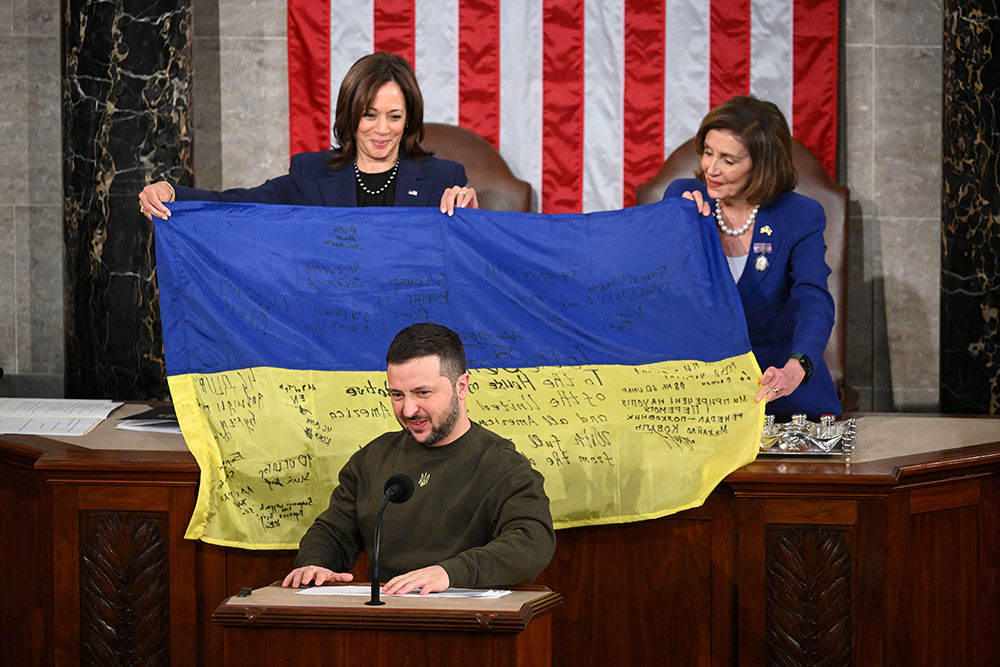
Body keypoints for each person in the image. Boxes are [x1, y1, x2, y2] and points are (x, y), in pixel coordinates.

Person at [281, 322, 556, 595]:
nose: (409, 410)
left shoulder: (504, 467)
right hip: (382, 618)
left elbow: (532, 543)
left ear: (462, 386)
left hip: (467, 623)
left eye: (423, 393)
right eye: (397, 395)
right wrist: (314, 566)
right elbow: (332, 532)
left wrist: (450, 573)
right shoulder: (371, 460)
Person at [662, 95, 841, 419]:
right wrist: (677, 224)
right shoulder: (683, 198)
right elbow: (661, 287)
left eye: (728, 160)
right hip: (698, 393)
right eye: (708, 152)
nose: (711, 169)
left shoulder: (798, 215)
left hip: (776, 387)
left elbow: (813, 297)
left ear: (762, 164)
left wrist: (795, 366)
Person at [138, 52, 478, 219]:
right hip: (332, 326)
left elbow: (476, 263)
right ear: (349, 115)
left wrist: (473, 218)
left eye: (395, 117)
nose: (382, 129)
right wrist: (172, 194)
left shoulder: (446, 179)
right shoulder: (309, 174)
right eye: (369, 114)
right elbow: (237, 204)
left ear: (409, 120)